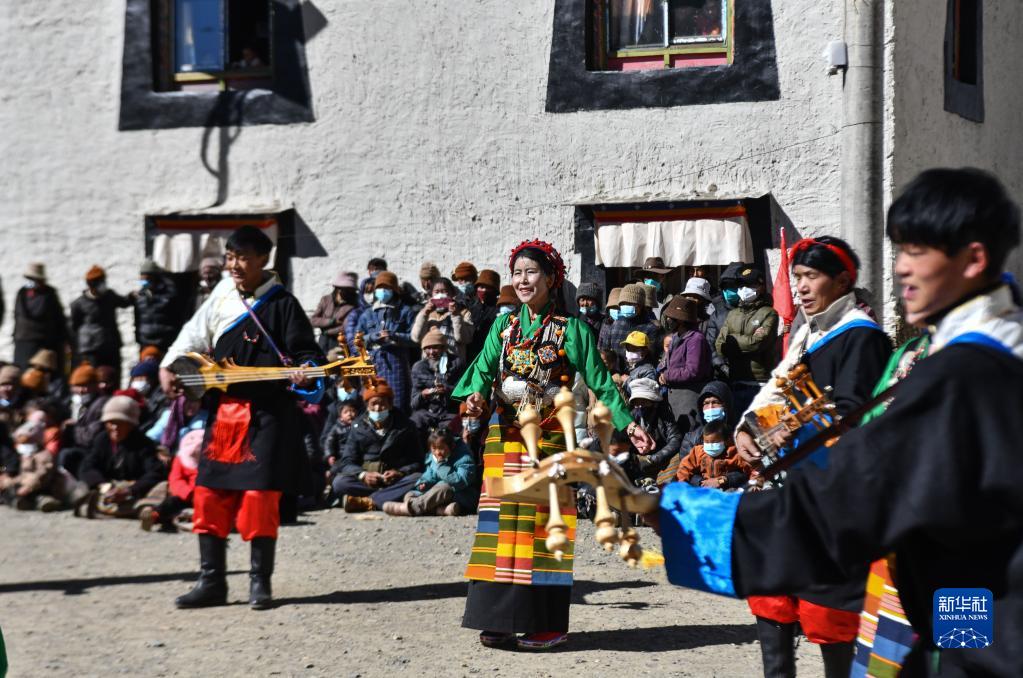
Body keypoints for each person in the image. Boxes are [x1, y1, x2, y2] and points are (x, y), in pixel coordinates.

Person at [658, 168, 1023, 677]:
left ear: (974, 260)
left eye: (917, 251)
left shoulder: (966, 366)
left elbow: (866, 470)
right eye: (899, 252)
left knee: (932, 656)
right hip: (959, 570)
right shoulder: (975, 344)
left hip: (975, 585)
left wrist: (683, 516)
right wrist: (753, 431)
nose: (902, 268)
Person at [453, 239, 656, 651]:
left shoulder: (572, 329)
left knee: (544, 529)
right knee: (501, 527)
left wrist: (627, 424)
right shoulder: (504, 328)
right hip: (506, 440)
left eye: (531, 272)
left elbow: (601, 382)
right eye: (517, 273)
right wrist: (474, 397)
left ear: (550, 278)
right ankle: (500, 619)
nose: (523, 280)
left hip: (550, 441)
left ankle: (546, 623)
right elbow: (482, 372)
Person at [160, 225, 326, 611]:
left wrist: (305, 372)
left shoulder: (283, 304)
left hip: (267, 414)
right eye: (230, 257)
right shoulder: (221, 294)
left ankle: (259, 582)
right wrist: (169, 364)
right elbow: (192, 335)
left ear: (263, 260)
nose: (234, 265)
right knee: (208, 494)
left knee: (258, 497)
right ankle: (211, 581)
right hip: (225, 411)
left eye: (243, 258)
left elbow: (308, 354)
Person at [329, 380, 423, 512]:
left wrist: (400, 472)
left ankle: (367, 502)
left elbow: (417, 461)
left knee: (418, 479)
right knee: (339, 482)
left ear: (390, 405)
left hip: (395, 481)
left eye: (382, 404)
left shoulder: (406, 426)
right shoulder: (357, 426)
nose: (378, 408)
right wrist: (363, 475)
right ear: (367, 405)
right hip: (367, 482)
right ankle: (387, 497)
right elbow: (347, 461)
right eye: (373, 404)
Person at [76, 395, 166, 518]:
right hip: (108, 487)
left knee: (162, 488)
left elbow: (155, 472)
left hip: (134, 489)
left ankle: (140, 509)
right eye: (111, 423)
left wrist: (130, 490)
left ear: (131, 424)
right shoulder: (101, 440)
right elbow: (87, 467)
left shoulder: (144, 444)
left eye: (121, 423)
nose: (115, 428)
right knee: (82, 487)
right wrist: (103, 485)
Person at [715, 266, 780, 415]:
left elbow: (758, 344)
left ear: (760, 287)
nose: (743, 289)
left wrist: (733, 341)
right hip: (736, 382)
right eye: (741, 285)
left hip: (759, 384)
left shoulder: (769, 313)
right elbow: (719, 345)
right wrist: (748, 340)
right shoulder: (732, 314)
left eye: (748, 285)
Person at [355, 271, 416, 413]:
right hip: (373, 363)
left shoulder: (405, 311)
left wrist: (394, 336)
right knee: (373, 401)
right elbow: (357, 340)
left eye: (386, 287)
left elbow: (415, 338)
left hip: (396, 363)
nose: (382, 291)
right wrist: (373, 337)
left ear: (394, 290)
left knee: (398, 403)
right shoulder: (367, 314)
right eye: (379, 287)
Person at [382, 428, 478, 517]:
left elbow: (461, 481)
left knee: (444, 486)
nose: (437, 452)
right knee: (411, 494)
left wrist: (441, 466)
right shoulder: (434, 456)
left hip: (461, 494)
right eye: (434, 449)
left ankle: (412, 508)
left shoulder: (464, 457)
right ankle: (441, 510)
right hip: (436, 495)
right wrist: (423, 483)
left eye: (441, 448)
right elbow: (430, 474)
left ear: (451, 446)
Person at [655, 380, 733, 486]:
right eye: (706, 403)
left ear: (726, 405)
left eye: (716, 402)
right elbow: (685, 470)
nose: (710, 408)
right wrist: (702, 482)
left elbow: (744, 468)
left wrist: (723, 480)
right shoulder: (691, 438)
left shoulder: (738, 436)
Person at [659, 296, 712, 431]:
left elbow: (693, 371)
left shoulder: (696, 339)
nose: (668, 320)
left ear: (681, 320)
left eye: (671, 318)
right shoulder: (676, 337)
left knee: (689, 434)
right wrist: (662, 372)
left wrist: (668, 375)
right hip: (675, 397)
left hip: (689, 397)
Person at [69, 266, 132, 374]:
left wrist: (132, 296)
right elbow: (75, 326)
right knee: (93, 376)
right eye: (100, 283)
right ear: (91, 286)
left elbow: (124, 302)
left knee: (113, 375)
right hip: (92, 349)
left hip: (111, 346)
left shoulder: (110, 296)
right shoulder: (79, 304)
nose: (103, 285)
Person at [140, 428, 203, 532]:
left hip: (205, 497)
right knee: (172, 503)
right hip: (185, 496)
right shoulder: (180, 459)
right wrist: (189, 494)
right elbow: (176, 479)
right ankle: (153, 516)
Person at [12, 263, 69, 379]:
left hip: (44, 342)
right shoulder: (22, 293)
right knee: (24, 373)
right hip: (24, 340)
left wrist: (63, 339)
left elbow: (59, 317)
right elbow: (17, 315)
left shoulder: (49, 293)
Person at [409, 328, 463, 438]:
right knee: (414, 424)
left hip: (449, 412)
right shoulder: (419, 367)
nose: (431, 352)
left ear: (443, 348)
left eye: (435, 347)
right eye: (428, 348)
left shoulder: (457, 364)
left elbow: (462, 394)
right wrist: (423, 395)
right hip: (427, 412)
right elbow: (413, 403)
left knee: (451, 429)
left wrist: (446, 390)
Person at [626, 377, 682, 481]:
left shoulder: (664, 415)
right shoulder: (632, 417)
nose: (640, 406)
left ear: (654, 402)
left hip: (662, 460)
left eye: (644, 402)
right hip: (640, 463)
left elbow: (675, 439)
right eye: (637, 403)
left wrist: (653, 459)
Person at [0, 421, 63, 512]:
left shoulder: (44, 455)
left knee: (38, 494)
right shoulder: (24, 454)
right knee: (9, 487)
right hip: (24, 482)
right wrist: (10, 481)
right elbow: (20, 473)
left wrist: (28, 486)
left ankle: (43, 501)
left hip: (41, 485)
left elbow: (42, 474)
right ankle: (19, 501)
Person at [674, 418, 751, 489]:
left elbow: (749, 468)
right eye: (706, 442)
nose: (710, 446)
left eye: (714, 442)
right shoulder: (697, 452)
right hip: (704, 487)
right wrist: (682, 485)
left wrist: (754, 481)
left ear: (726, 441)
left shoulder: (734, 453)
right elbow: (684, 467)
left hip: (727, 487)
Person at [410, 278, 475, 362]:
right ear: (431, 294)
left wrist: (456, 316)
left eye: (444, 291)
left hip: (454, 363)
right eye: (436, 292)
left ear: (452, 294)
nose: (440, 295)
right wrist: (424, 313)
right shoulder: (427, 313)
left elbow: (463, 339)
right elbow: (416, 338)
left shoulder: (463, 313)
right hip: (430, 362)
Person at [598, 283, 660, 368]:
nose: (626, 306)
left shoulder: (651, 329)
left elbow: (652, 358)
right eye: (623, 304)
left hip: (639, 373)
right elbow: (605, 353)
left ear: (640, 306)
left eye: (630, 303)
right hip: (615, 373)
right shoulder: (615, 325)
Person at [134, 259, 183, 353]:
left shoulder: (169, 295)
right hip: (145, 343)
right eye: (142, 279)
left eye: (146, 279)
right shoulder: (140, 297)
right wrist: (138, 339)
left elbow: (177, 317)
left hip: (164, 343)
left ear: (154, 278)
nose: (144, 282)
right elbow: (137, 321)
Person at [309, 271, 359, 353]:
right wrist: (332, 321)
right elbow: (313, 320)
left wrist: (326, 330)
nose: (347, 292)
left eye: (350, 290)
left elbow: (345, 327)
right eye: (344, 289)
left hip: (340, 341)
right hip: (323, 340)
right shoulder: (325, 300)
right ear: (337, 288)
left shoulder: (354, 305)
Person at [617, 331, 658, 397]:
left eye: (634, 349)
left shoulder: (648, 370)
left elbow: (645, 394)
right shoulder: (632, 366)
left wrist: (627, 381)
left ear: (645, 351)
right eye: (628, 349)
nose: (630, 352)